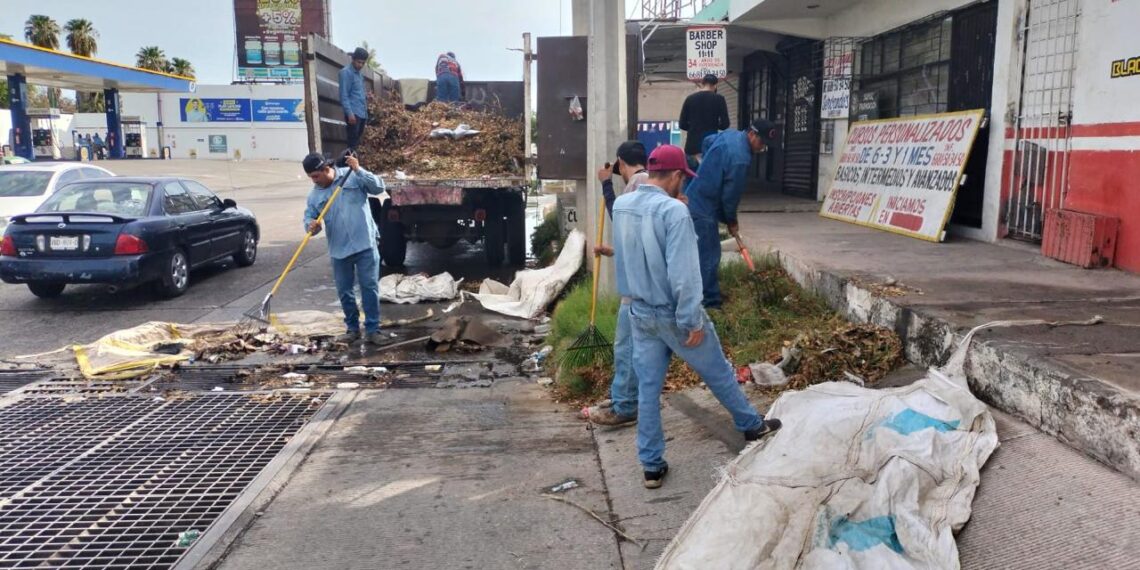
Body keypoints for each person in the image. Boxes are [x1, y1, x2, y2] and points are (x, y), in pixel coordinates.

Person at [611, 144, 781, 489]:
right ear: (675, 175)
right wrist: (690, 321)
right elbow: (684, 276)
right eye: (682, 179)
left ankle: (652, 466)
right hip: (674, 312)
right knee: (717, 371)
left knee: (647, 389)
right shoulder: (674, 212)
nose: (683, 185)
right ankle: (751, 425)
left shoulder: (623, 204)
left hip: (638, 311)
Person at [581, 141, 651, 428]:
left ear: (621, 163)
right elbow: (638, 238)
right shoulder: (643, 183)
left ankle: (624, 406)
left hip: (638, 289)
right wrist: (614, 251)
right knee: (630, 348)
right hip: (639, 282)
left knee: (627, 348)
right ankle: (622, 397)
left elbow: (618, 215)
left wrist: (605, 185)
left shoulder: (639, 183)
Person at [684, 118, 779, 308]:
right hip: (704, 206)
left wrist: (708, 164)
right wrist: (731, 220)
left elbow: (708, 141)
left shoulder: (731, 135)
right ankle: (710, 303)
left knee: (701, 251)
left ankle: (701, 293)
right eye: (761, 143)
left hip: (694, 195)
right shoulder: (740, 159)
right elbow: (730, 197)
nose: (761, 148)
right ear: (752, 134)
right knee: (709, 254)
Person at [302, 152, 386, 344]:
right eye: (311, 178)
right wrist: (311, 225)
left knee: (369, 287)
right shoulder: (315, 195)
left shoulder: (352, 175)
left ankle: (373, 329)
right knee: (344, 290)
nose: (314, 181)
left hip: (365, 243)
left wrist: (359, 169)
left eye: (316, 176)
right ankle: (352, 329)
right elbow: (309, 218)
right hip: (339, 249)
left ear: (326, 169)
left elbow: (379, 187)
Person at [679, 74, 730, 164]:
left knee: (691, 175)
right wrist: (714, 125)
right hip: (711, 144)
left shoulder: (690, 99)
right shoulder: (719, 99)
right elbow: (725, 124)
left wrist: (693, 127)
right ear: (715, 85)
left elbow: (682, 124)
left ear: (702, 84)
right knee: (710, 175)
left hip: (692, 146)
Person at [339, 47, 370, 150]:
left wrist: (366, 113)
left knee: (356, 144)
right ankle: (350, 165)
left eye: (362, 63)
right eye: (358, 62)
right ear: (353, 59)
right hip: (353, 114)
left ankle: (354, 164)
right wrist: (350, 114)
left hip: (361, 113)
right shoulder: (346, 73)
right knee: (352, 144)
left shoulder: (360, 75)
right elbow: (344, 95)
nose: (360, 65)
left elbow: (360, 95)